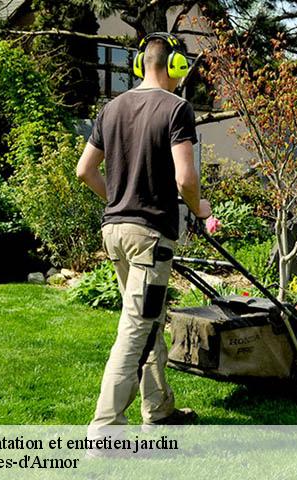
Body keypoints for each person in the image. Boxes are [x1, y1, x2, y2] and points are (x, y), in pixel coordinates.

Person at [76, 32, 211, 429]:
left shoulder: (111, 108)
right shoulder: (176, 109)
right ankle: (106, 429)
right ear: (175, 67)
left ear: (139, 64)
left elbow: (85, 170)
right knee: (135, 331)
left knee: (148, 322)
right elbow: (186, 178)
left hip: (115, 232)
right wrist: (198, 207)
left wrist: (117, 200)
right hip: (150, 239)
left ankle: (159, 409)